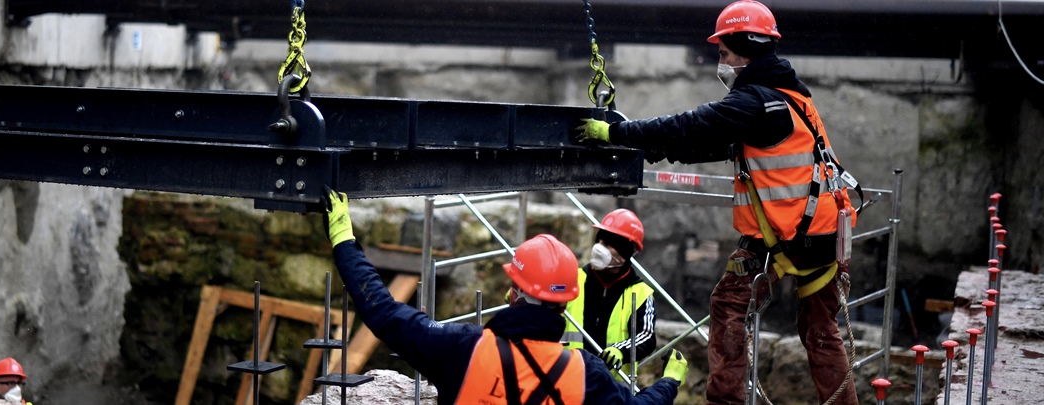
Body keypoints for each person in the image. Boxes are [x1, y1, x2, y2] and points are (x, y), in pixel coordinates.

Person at [572, 1, 860, 404]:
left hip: (785, 237)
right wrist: (649, 148)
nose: (721, 63)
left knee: (727, 309)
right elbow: (702, 144)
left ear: (745, 49)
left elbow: (690, 125)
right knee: (821, 332)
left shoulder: (754, 103)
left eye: (724, 53)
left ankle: (725, 402)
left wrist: (617, 133)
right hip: (823, 236)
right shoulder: (792, 100)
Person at [321, 187, 686, 405]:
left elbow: (382, 311)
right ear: (564, 304)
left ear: (514, 293)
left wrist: (344, 241)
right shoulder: (587, 374)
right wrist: (669, 383)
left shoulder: (462, 348)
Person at [561, 209, 657, 381]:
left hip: (611, 386)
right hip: (569, 378)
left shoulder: (641, 293)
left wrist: (621, 350)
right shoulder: (572, 279)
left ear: (624, 253)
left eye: (607, 244)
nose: (598, 249)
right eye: (599, 241)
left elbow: (647, 336)